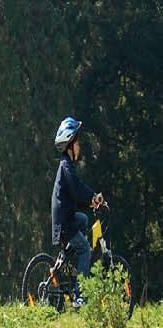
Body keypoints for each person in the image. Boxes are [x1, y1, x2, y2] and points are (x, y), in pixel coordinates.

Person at [52, 116, 106, 306]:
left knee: (83, 219)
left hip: (67, 218)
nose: (79, 147)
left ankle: (65, 258)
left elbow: (73, 196)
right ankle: (79, 295)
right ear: (70, 144)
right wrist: (93, 196)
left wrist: (90, 204)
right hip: (64, 222)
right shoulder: (66, 165)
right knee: (85, 249)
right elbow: (76, 187)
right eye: (77, 143)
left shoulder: (67, 165)